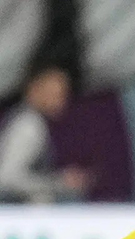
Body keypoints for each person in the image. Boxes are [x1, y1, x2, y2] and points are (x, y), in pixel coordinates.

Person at [0, 62, 88, 204]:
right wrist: (60, 182)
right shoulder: (28, 125)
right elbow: (6, 178)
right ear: (34, 90)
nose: (61, 100)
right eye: (55, 94)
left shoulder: (31, 121)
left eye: (63, 94)